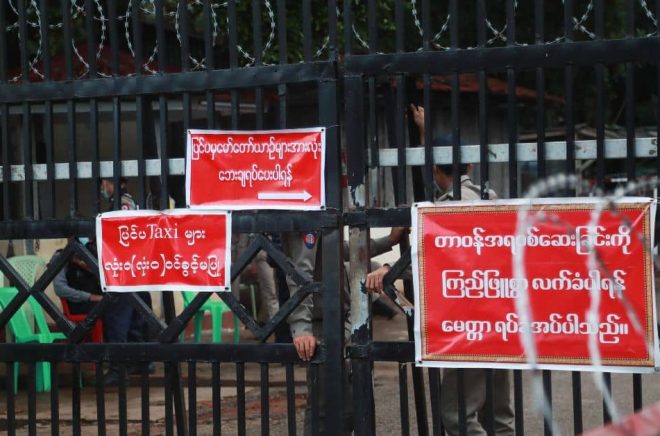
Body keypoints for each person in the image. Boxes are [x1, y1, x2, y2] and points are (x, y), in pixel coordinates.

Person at [365, 105, 514, 436]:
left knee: (455, 413)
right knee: (499, 415)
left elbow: (437, 260)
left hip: (470, 322)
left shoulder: (449, 207)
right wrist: (424, 131)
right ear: (471, 165)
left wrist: (389, 268)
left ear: (435, 170)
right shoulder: (490, 197)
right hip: (502, 318)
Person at [99, 177, 154, 384]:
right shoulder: (132, 200)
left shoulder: (121, 203)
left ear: (109, 182)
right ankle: (141, 360)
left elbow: (123, 232)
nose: (102, 188)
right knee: (136, 316)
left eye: (103, 183)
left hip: (125, 268)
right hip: (137, 267)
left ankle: (118, 367)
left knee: (118, 318)